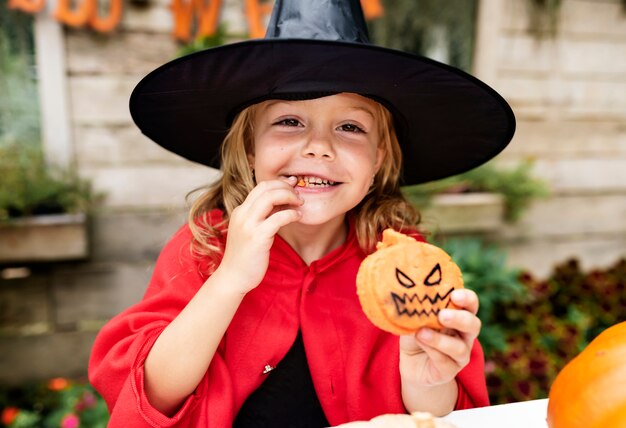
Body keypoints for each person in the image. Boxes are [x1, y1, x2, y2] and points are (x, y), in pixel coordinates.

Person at [88, 1, 515, 427]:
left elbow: (436, 413)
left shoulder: (407, 266)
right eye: (290, 120)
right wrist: (230, 279)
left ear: (379, 161)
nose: (318, 146)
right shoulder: (206, 246)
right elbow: (151, 397)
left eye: (350, 127)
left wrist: (430, 377)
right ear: (251, 150)